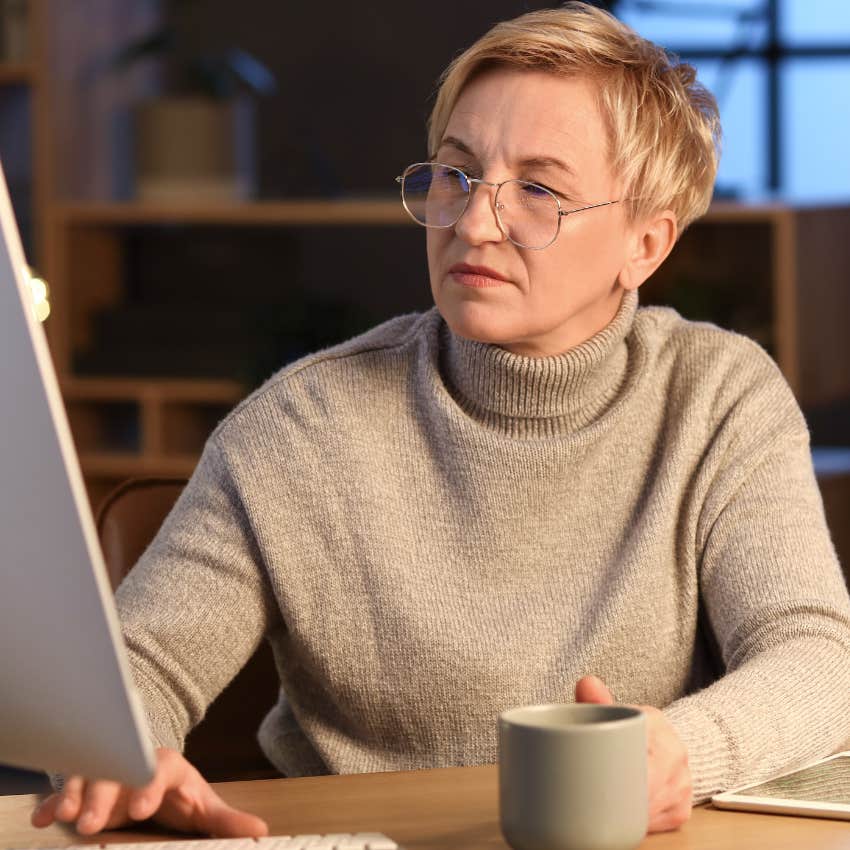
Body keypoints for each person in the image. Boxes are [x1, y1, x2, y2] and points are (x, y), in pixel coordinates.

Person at [33, 1, 850, 840]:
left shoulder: (720, 398)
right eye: (455, 174)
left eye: (538, 189)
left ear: (646, 243)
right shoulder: (301, 425)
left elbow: (821, 661)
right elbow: (130, 671)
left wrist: (686, 749)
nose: (472, 221)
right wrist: (123, 760)